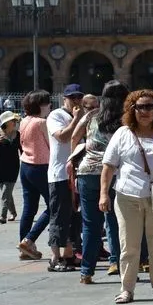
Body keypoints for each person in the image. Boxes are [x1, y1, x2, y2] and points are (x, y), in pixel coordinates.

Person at [100, 90, 153, 304]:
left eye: (150, 107)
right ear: (132, 109)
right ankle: (126, 289)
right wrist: (104, 193)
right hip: (128, 196)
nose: (145, 111)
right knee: (129, 246)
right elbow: (108, 166)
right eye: (140, 107)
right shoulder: (123, 133)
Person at [71, 81, 130, 284]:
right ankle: (118, 264)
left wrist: (78, 156)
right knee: (115, 220)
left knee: (90, 224)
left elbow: (74, 137)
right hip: (113, 173)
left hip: (87, 172)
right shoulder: (125, 119)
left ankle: (86, 271)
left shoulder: (91, 116)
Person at [45, 84, 87, 272]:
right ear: (65, 99)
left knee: (75, 216)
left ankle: (70, 254)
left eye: (79, 97)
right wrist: (77, 119)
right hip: (60, 174)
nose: (77, 101)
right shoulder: (56, 116)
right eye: (72, 98)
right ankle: (55, 257)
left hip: (79, 174)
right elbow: (62, 137)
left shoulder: (83, 117)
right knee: (59, 216)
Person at [17, 90, 53, 260]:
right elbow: (51, 144)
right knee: (54, 205)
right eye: (47, 103)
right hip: (41, 166)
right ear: (40, 106)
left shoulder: (24, 121)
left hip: (25, 165)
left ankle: (23, 247)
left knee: (29, 207)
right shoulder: (41, 122)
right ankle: (29, 239)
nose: (49, 106)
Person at [0, 111, 22, 224]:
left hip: (13, 167)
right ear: (7, 122)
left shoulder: (18, 134)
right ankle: (14, 212)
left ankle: (3, 216)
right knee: (7, 193)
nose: (15, 122)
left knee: (6, 192)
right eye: (13, 121)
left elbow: (22, 150)